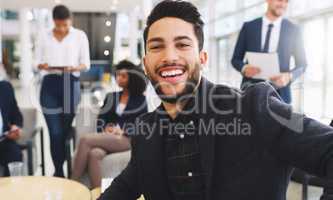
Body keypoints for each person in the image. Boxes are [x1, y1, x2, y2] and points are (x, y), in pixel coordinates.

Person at [99, 1, 333, 200]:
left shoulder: (254, 108)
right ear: (146, 63)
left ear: (203, 58)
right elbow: (123, 189)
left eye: (182, 44)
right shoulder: (146, 131)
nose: (169, 56)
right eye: (157, 47)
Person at [71, 60, 148, 188]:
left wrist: (123, 130)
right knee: (94, 154)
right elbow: (101, 119)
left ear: (132, 77)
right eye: (117, 75)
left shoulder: (140, 100)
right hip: (108, 138)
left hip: (126, 139)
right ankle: (98, 194)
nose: (119, 78)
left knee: (85, 139)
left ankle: (72, 185)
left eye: (123, 76)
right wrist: (106, 128)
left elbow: (141, 124)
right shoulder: (111, 96)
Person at [35, 5, 90, 177]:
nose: (62, 28)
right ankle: (59, 171)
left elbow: (86, 64)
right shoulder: (43, 35)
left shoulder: (79, 36)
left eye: (65, 25)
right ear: (54, 21)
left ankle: (68, 166)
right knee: (55, 131)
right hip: (49, 84)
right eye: (59, 25)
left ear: (70, 21)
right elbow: (36, 62)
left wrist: (74, 67)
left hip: (70, 83)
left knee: (64, 132)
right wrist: (42, 65)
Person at [231, 0, 307, 104]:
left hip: (281, 95)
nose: (282, 4)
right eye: (279, 0)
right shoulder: (249, 27)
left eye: (286, 1)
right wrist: (244, 68)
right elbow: (235, 59)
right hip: (250, 92)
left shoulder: (293, 30)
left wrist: (288, 76)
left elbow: (302, 64)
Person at [0, 80, 23, 176]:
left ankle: (10, 189)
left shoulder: (5, 87)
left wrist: (15, 127)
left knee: (15, 153)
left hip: (4, 139)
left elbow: (16, 115)